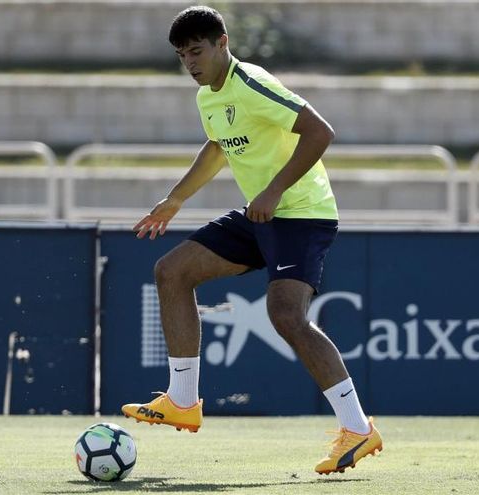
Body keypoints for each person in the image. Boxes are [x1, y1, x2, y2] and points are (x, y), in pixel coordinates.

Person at [121, 5, 382, 474]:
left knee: (285, 316)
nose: (190, 64)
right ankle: (182, 400)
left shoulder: (253, 84)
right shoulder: (208, 96)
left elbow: (320, 133)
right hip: (260, 215)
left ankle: (359, 429)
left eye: (197, 51)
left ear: (223, 42)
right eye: (182, 56)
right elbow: (220, 145)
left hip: (302, 214)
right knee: (172, 271)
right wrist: (175, 200)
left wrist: (275, 189)